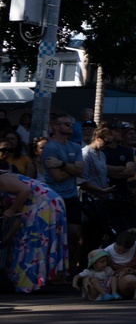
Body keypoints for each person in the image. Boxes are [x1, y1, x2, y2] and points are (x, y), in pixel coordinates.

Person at [0, 172, 68, 293]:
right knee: (25, 240)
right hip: (45, 203)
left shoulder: (3, 179)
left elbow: (25, 191)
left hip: (44, 204)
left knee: (34, 242)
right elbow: (18, 219)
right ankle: (31, 280)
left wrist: (11, 210)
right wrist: (7, 238)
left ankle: (29, 283)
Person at [41, 113, 85, 272]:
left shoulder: (75, 146)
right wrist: (73, 168)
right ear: (56, 127)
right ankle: (54, 268)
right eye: (66, 124)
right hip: (54, 197)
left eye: (71, 124)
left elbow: (81, 170)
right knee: (55, 234)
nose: (70, 126)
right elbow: (57, 177)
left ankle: (70, 264)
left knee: (74, 232)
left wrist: (61, 163)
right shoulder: (50, 147)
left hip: (72, 196)